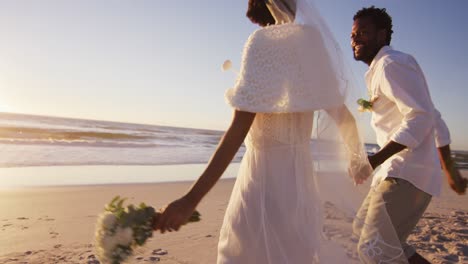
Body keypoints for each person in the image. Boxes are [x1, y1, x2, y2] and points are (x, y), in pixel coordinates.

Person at [153, 0, 382, 263]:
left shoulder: (262, 43)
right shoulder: (311, 42)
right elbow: (346, 120)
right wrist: (356, 158)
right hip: (300, 189)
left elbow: (239, 127)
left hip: (261, 184)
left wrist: (190, 199)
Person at [350, 6, 467, 264]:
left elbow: (421, 116)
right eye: (353, 35)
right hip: (397, 171)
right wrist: (450, 171)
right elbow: (434, 117)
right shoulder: (381, 68)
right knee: (367, 235)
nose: (355, 39)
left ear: (382, 35)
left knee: (374, 248)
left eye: (363, 33)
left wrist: (375, 159)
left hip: (407, 172)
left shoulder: (392, 64)